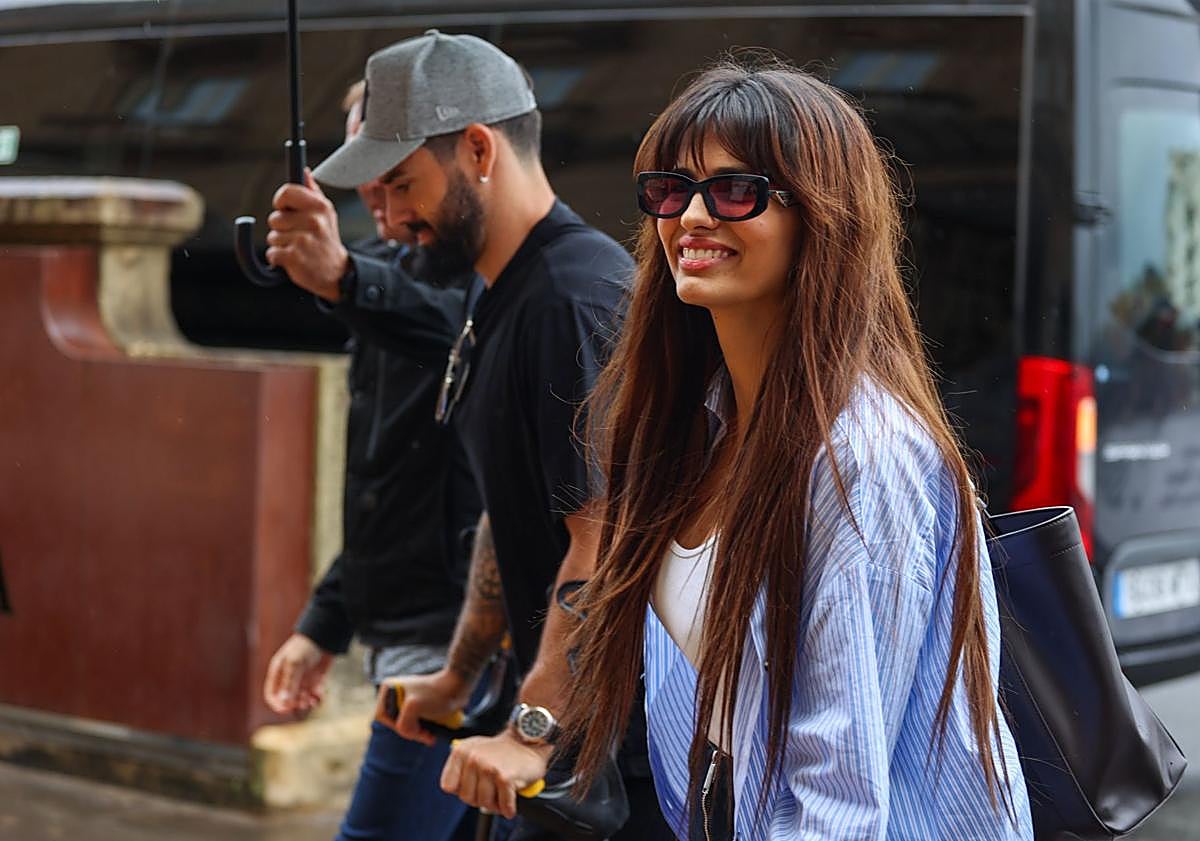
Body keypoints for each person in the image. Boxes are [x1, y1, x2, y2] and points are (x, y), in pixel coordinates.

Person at [558, 58, 1036, 840]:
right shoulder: (703, 423)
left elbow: (839, 803)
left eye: (734, 190)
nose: (692, 216)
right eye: (671, 189)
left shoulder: (859, 460)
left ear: (820, 214)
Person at [312, 30, 673, 840]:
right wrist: (456, 677)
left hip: (611, 769)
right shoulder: (499, 290)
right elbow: (506, 507)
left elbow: (605, 537)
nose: (391, 217)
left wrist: (533, 726)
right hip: (554, 742)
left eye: (403, 183)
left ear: (478, 149)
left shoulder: (571, 300)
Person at [262, 81, 483, 841]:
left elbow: (464, 338)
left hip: (458, 637)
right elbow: (387, 475)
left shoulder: (507, 282)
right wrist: (325, 621)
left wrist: (349, 280)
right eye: (364, 184)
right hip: (406, 626)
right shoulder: (393, 273)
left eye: (394, 179)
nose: (378, 207)